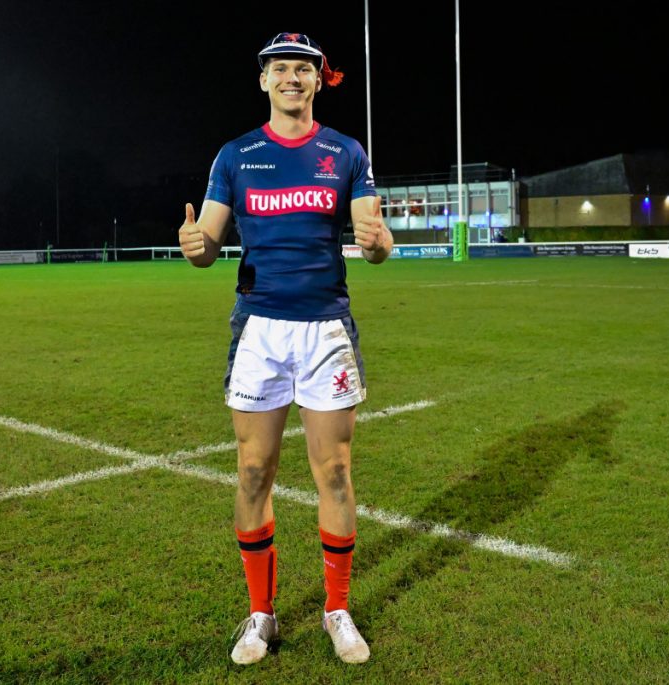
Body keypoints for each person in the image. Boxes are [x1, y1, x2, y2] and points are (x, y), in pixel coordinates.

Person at [177, 32, 393, 665]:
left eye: (303, 68)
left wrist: (379, 243)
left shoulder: (345, 152)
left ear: (319, 80)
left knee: (336, 472)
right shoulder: (236, 156)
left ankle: (337, 609)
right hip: (260, 330)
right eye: (280, 68)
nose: (292, 77)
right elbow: (207, 245)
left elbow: (375, 243)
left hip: (326, 329)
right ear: (263, 80)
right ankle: (262, 615)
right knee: (252, 471)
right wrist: (196, 247)